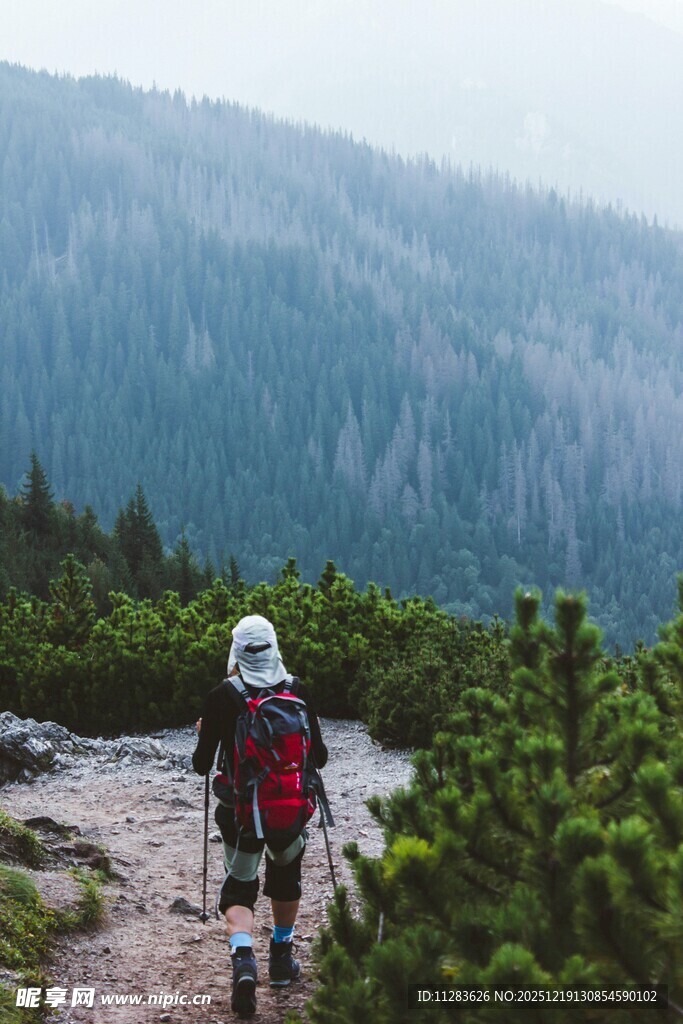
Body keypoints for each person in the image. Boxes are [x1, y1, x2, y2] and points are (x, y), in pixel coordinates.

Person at [193, 614, 328, 1018]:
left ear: (236, 650)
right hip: (288, 812)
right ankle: (282, 960)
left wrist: (206, 733)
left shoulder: (223, 695)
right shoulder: (295, 689)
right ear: (274, 647)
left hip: (241, 814)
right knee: (285, 877)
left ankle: (244, 961)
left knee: (240, 885)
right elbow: (318, 757)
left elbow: (202, 765)